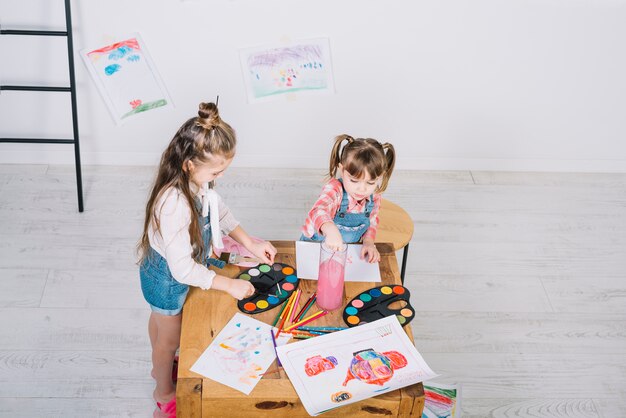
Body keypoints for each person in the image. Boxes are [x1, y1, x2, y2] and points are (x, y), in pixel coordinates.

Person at [137, 101, 277, 417]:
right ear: (189, 164)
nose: (221, 176)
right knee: (169, 340)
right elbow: (183, 268)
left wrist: (250, 244)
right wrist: (228, 285)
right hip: (168, 278)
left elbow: (220, 212)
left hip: (175, 267)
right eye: (217, 171)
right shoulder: (175, 204)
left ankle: (160, 354)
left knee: (163, 325)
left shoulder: (200, 181)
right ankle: (163, 389)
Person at [300, 134, 395, 263]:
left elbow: (372, 221)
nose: (362, 189)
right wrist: (331, 230)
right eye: (354, 181)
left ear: (379, 177)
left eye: (370, 183)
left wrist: (368, 242)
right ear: (342, 170)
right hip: (313, 247)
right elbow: (318, 211)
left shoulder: (375, 196)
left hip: (346, 252)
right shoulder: (335, 189)